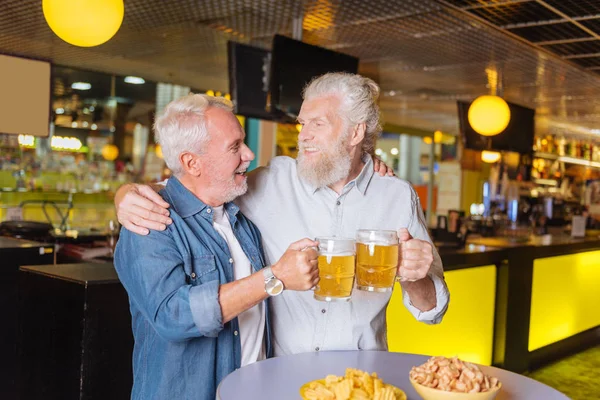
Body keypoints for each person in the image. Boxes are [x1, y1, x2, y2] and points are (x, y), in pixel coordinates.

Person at [115, 72, 450, 357]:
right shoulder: (268, 182)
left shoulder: (395, 194)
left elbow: (433, 310)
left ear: (356, 133)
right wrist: (126, 195)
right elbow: (196, 185)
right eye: (302, 123)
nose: (303, 136)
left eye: (318, 124)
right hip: (279, 378)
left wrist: (415, 277)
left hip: (358, 378)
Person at [113, 94, 319, 400]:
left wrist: (368, 164)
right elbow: (174, 314)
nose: (249, 154)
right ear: (191, 162)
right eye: (234, 147)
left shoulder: (241, 215)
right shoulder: (150, 222)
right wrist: (274, 278)